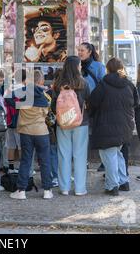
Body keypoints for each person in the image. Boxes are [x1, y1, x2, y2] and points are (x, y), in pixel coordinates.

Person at [89, 58, 138, 196]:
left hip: (106, 125)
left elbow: (93, 102)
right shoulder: (129, 84)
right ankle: (123, 181)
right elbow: (136, 102)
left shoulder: (103, 84)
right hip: (125, 125)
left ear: (108, 69)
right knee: (118, 154)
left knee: (108, 155)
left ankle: (112, 186)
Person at [10, 70, 53, 200]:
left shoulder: (23, 93)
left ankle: (21, 191)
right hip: (41, 132)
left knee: (25, 161)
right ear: (41, 81)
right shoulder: (45, 96)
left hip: (26, 132)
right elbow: (48, 111)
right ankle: (47, 190)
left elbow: (9, 98)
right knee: (45, 161)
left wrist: (19, 105)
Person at [51, 57, 90, 196]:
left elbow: (53, 105)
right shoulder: (83, 83)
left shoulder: (58, 84)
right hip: (81, 123)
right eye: (79, 65)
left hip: (63, 123)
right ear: (77, 67)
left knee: (63, 154)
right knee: (80, 155)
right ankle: (80, 189)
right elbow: (89, 102)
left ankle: (64, 188)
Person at [78, 42, 107, 172]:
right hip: (80, 105)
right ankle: (84, 161)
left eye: (82, 50)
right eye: (78, 50)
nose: (79, 52)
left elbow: (103, 85)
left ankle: (104, 161)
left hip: (95, 105)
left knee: (99, 133)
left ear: (89, 52)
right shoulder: (76, 66)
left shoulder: (98, 66)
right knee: (83, 135)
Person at [4, 69, 27, 173]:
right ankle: (23, 167)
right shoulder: (25, 90)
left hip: (9, 121)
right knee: (21, 146)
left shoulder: (8, 90)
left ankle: (11, 168)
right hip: (20, 121)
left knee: (11, 145)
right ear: (25, 79)